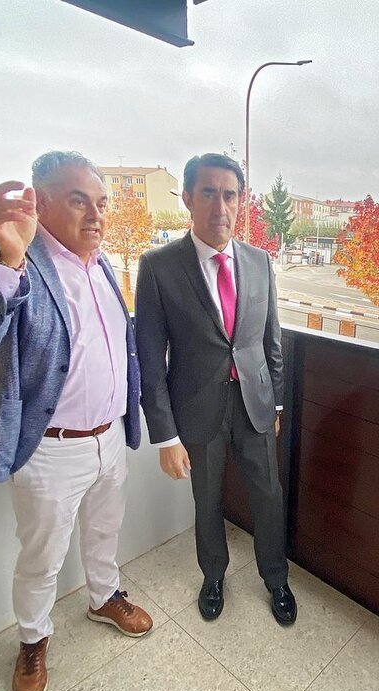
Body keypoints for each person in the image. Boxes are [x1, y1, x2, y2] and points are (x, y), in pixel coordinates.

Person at [0, 151, 153, 691]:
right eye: (79, 199)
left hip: (110, 438)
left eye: (101, 202)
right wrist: (10, 256)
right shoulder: (5, 257)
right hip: (51, 448)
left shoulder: (102, 262)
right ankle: (33, 640)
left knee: (105, 533)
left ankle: (104, 596)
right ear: (41, 200)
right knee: (41, 558)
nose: (96, 214)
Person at [135, 153, 297, 626]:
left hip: (255, 405)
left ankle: (276, 578)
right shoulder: (159, 267)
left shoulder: (259, 261)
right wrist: (164, 436)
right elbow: (149, 358)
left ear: (241, 201)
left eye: (229, 195)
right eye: (208, 193)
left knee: (269, 494)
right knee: (206, 501)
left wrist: (277, 401)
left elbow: (271, 339)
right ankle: (213, 576)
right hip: (197, 408)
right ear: (187, 198)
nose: (219, 206)